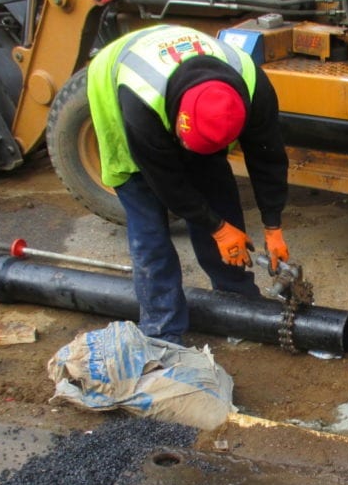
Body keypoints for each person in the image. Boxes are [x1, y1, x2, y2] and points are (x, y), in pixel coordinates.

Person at [87, 24, 290, 345]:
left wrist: (273, 224)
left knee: (217, 190)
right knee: (149, 226)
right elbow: (167, 183)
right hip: (119, 83)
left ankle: (235, 300)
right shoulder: (141, 104)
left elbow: (268, 158)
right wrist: (218, 229)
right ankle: (162, 330)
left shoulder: (253, 85)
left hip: (184, 89)